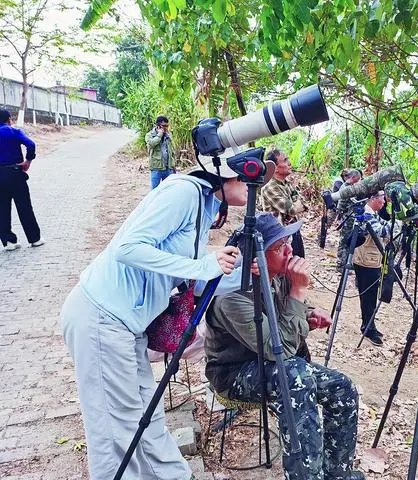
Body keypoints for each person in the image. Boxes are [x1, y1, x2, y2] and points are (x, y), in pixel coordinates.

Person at [60, 155, 263, 480]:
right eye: (250, 178)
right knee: (115, 432)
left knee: (148, 421)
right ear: (227, 172)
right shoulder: (183, 191)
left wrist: (241, 274)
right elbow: (127, 247)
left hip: (128, 327)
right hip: (101, 317)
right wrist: (204, 265)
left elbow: (193, 283)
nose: (256, 186)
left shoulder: (205, 203)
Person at [204, 213, 364, 480]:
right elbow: (279, 350)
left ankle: (338, 474)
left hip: (279, 365)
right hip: (234, 372)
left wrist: (309, 312)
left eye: (288, 242)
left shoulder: (277, 274)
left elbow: (285, 312)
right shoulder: (232, 296)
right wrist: (299, 292)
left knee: (342, 387)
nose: (290, 250)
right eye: (279, 247)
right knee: (295, 377)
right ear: (256, 258)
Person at [353, 191, 394, 347]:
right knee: (368, 296)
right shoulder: (366, 213)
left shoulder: (372, 213)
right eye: (382, 199)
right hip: (366, 261)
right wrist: (400, 221)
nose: (384, 203)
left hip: (371, 260)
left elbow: (384, 227)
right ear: (373, 199)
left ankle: (370, 326)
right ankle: (368, 328)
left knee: (370, 296)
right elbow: (383, 231)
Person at [0, 109, 44, 250]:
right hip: (15, 173)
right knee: (24, 206)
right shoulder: (14, 132)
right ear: (9, 120)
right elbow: (31, 144)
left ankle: (8, 242)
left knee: (2, 209)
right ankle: (35, 239)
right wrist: (28, 161)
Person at [260, 148, 307, 257]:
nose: (289, 163)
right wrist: (296, 205)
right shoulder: (270, 187)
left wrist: (296, 206)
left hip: (292, 231)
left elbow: (304, 204)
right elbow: (292, 209)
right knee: (284, 269)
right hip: (279, 237)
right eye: (285, 160)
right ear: (275, 168)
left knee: (297, 263)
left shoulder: (286, 184)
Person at [335, 168, 363, 270]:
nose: (359, 180)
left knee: (350, 240)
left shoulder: (351, 187)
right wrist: (340, 216)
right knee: (344, 241)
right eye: (358, 178)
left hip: (351, 218)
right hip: (347, 218)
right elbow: (341, 205)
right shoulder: (345, 188)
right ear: (353, 177)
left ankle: (347, 262)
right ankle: (340, 264)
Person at [145, 115, 175, 189]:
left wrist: (173, 166)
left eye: (167, 126)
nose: (166, 128)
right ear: (158, 126)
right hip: (156, 168)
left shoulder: (168, 135)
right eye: (164, 126)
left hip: (168, 168)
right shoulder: (150, 135)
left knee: (168, 190)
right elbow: (151, 144)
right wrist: (159, 135)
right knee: (155, 191)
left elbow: (172, 151)